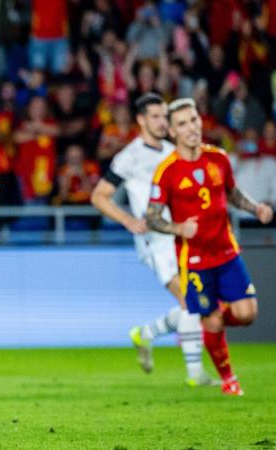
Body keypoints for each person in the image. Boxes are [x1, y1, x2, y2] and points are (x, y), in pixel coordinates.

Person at [146, 98, 273, 396]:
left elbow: (232, 193)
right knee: (212, 318)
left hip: (227, 253)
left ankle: (210, 325)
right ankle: (229, 380)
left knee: (246, 314)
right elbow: (151, 217)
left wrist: (256, 209)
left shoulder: (219, 158)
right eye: (182, 124)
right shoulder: (166, 171)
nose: (191, 128)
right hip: (195, 261)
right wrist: (178, 228)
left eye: (194, 120)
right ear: (172, 132)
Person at [91, 93, 212, 386]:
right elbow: (99, 196)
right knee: (191, 300)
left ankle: (146, 334)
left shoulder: (172, 152)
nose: (162, 122)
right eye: (155, 117)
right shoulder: (129, 157)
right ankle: (195, 374)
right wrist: (129, 221)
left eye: (164, 116)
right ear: (141, 120)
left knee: (199, 303)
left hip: (180, 236)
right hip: (155, 241)